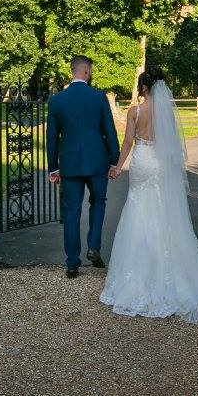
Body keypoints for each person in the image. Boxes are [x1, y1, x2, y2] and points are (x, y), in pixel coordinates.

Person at [100, 66, 198, 323]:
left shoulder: (135, 111)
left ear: (144, 87)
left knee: (137, 207)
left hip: (141, 162)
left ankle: (138, 277)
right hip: (159, 164)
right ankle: (173, 275)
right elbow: (170, 145)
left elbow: (127, 142)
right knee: (162, 211)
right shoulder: (165, 112)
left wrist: (117, 167)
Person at [46, 55, 120, 279]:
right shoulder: (98, 97)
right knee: (98, 202)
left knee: (71, 212)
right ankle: (93, 247)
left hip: (69, 164)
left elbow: (52, 137)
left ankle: (71, 264)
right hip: (97, 161)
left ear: (73, 71)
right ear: (86, 71)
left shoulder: (57, 100)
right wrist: (114, 160)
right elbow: (109, 130)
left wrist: (53, 168)